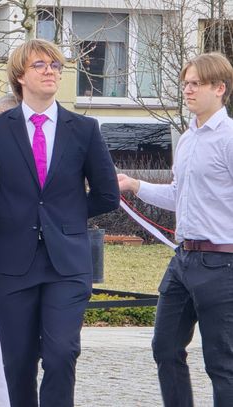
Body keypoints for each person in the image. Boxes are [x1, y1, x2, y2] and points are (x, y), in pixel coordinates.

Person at [0, 39, 120, 407]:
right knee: (16, 363)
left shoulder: (84, 128)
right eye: (40, 65)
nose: (51, 71)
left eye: (55, 65)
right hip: (13, 262)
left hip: (68, 263)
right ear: (20, 76)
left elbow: (108, 195)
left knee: (61, 355)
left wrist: (64, 217)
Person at [118, 52, 233, 407]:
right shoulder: (187, 139)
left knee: (222, 364)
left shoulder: (229, 138)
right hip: (182, 260)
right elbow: (178, 195)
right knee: (165, 348)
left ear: (220, 88)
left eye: (196, 83)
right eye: (185, 83)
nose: (187, 90)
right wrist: (134, 185)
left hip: (222, 264)